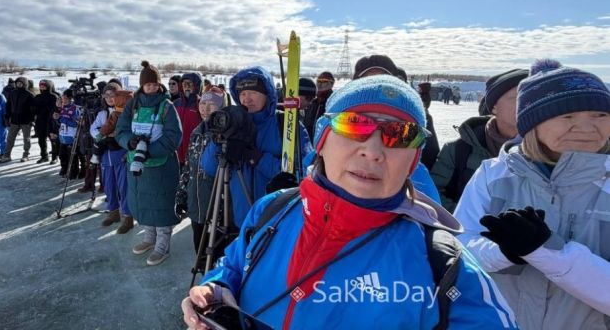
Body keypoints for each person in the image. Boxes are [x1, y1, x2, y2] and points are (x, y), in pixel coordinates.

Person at [182, 75, 517, 330]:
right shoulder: (273, 210)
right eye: (355, 125)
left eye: (399, 135)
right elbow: (235, 266)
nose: (373, 150)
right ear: (323, 140)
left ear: (412, 161)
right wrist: (217, 287)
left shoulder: (443, 266)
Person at [453, 60, 610, 329]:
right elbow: (458, 252)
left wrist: (548, 251)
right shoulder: (493, 175)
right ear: (532, 122)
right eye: (567, 116)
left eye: (600, 115)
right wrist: (504, 251)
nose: (586, 127)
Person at [201, 66, 313, 229]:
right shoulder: (233, 124)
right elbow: (209, 168)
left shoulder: (287, 125)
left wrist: (257, 158)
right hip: (241, 220)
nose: (247, 99)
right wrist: (219, 139)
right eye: (243, 93)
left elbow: (304, 175)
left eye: (253, 92)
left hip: (279, 220)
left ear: (267, 94)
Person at [431, 69, 528, 211]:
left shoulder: (547, 150)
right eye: (518, 98)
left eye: (533, 99)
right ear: (494, 106)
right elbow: (433, 194)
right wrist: (470, 221)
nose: (527, 105)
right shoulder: (458, 150)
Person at [115, 61, 183, 266]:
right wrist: (130, 142)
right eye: (147, 84)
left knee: (161, 203)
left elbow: (173, 136)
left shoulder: (167, 106)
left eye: (155, 84)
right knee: (143, 201)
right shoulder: (133, 104)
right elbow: (121, 129)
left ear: (159, 85)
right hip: (136, 164)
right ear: (142, 85)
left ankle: (163, 243)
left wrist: (148, 152)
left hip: (160, 164)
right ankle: (149, 236)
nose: (151, 87)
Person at [350, 56, 441, 202]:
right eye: (367, 81)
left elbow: (430, 155)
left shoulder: (413, 118)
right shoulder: (342, 115)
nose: (375, 86)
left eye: (383, 79)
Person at [175, 87, 226, 264]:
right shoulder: (197, 132)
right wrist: (181, 196)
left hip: (217, 209)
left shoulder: (224, 135)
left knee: (217, 256)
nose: (205, 108)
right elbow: (188, 167)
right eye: (203, 103)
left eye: (212, 105)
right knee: (200, 251)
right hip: (196, 206)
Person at [90, 83, 135, 234]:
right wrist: (103, 136)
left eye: (113, 95)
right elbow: (93, 129)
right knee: (109, 185)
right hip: (105, 154)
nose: (110, 98)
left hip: (120, 154)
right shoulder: (102, 114)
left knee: (124, 186)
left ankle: (128, 217)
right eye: (106, 95)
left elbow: (129, 131)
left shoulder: (126, 113)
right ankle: (113, 212)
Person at [0, 76, 35, 163]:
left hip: (26, 121)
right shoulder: (12, 93)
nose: (18, 84)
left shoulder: (29, 95)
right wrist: (7, 117)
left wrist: (32, 120)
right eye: (17, 83)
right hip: (14, 120)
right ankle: (7, 155)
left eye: (21, 83)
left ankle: (26, 155)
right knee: (10, 138)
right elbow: (8, 106)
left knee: (26, 139)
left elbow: (33, 109)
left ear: (25, 84)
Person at [175, 72, 203, 165]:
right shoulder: (176, 104)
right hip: (176, 154)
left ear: (196, 86)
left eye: (190, 84)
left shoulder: (201, 104)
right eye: (184, 84)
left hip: (194, 155)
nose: (187, 86)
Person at [33, 79, 60, 163]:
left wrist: (55, 120)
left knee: (53, 140)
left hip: (51, 121)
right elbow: (34, 109)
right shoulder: (38, 97)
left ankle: (54, 157)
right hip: (40, 121)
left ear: (48, 86)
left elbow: (57, 109)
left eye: (44, 85)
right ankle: (44, 156)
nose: (42, 87)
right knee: (41, 140)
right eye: (40, 85)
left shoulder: (54, 96)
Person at [56, 89, 80, 178]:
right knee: (62, 155)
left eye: (65, 99)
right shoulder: (62, 108)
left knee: (72, 157)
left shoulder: (74, 108)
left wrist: (63, 119)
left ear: (71, 99)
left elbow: (76, 123)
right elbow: (59, 121)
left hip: (71, 136)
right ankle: (64, 169)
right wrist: (57, 119)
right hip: (62, 136)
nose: (64, 101)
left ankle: (73, 172)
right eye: (62, 99)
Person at [302, 71, 335, 137]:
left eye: (324, 81)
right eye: (319, 81)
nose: (320, 84)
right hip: (309, 144)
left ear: (331, 84)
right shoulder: (313, 103)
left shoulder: (333, 103)